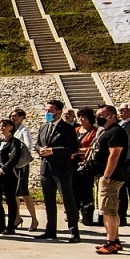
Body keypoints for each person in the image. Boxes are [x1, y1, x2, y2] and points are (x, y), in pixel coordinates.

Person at [81, 105, 130, 256]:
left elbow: (114, 155)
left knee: (109, 210)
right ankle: (113, 239)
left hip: (112, 176)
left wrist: (108, 175)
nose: (98, 117)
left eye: (101, 115)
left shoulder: (116, 132)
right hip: (103, 174)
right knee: (107, 209)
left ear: (111, 116)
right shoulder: (105, 131)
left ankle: (112, 242)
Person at [35, 99, 81, 242]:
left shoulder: (67, 129)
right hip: (46, 169)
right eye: (46, 110)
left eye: (50, 111)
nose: (47, 113)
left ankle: (74, 231)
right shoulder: (43, 127)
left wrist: (53, 151)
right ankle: (50, 230)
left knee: (68, 200)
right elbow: (37, 144)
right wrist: (40, 150)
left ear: (58, 112)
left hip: (61, 170)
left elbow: (73, 149)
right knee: (49, 201)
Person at [0, 120, 27, 233]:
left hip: (8, 174)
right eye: (0, 125)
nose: (1, 127)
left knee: (10, 200)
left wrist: (3, 169)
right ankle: (1, 224)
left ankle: (11, 226)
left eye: (4, 125)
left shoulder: (15, 142)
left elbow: (14, 158)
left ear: (11, 127)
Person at [72, 108, 100, 228]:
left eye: (84, 117)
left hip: (86, 164)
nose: (81, 119)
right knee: (74, 190)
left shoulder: (95, 131)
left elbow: (92, 147)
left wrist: (77, 151)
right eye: (80, 117)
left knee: (86, 190)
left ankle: (87, 213)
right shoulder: (76, 130)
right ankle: (75, 213)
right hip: (73, 163)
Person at [11, 108, 38, 231]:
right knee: (14, 193)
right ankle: (17, 217)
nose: (13, 118)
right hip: (11, 165)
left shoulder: (24, 130)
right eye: (11, 116)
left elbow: (28, 146)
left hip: (21, 165)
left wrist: (17, 156)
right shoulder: (11, 130)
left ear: (22, 117)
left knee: (23, 192)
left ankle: (34, 219)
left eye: (16, 115)